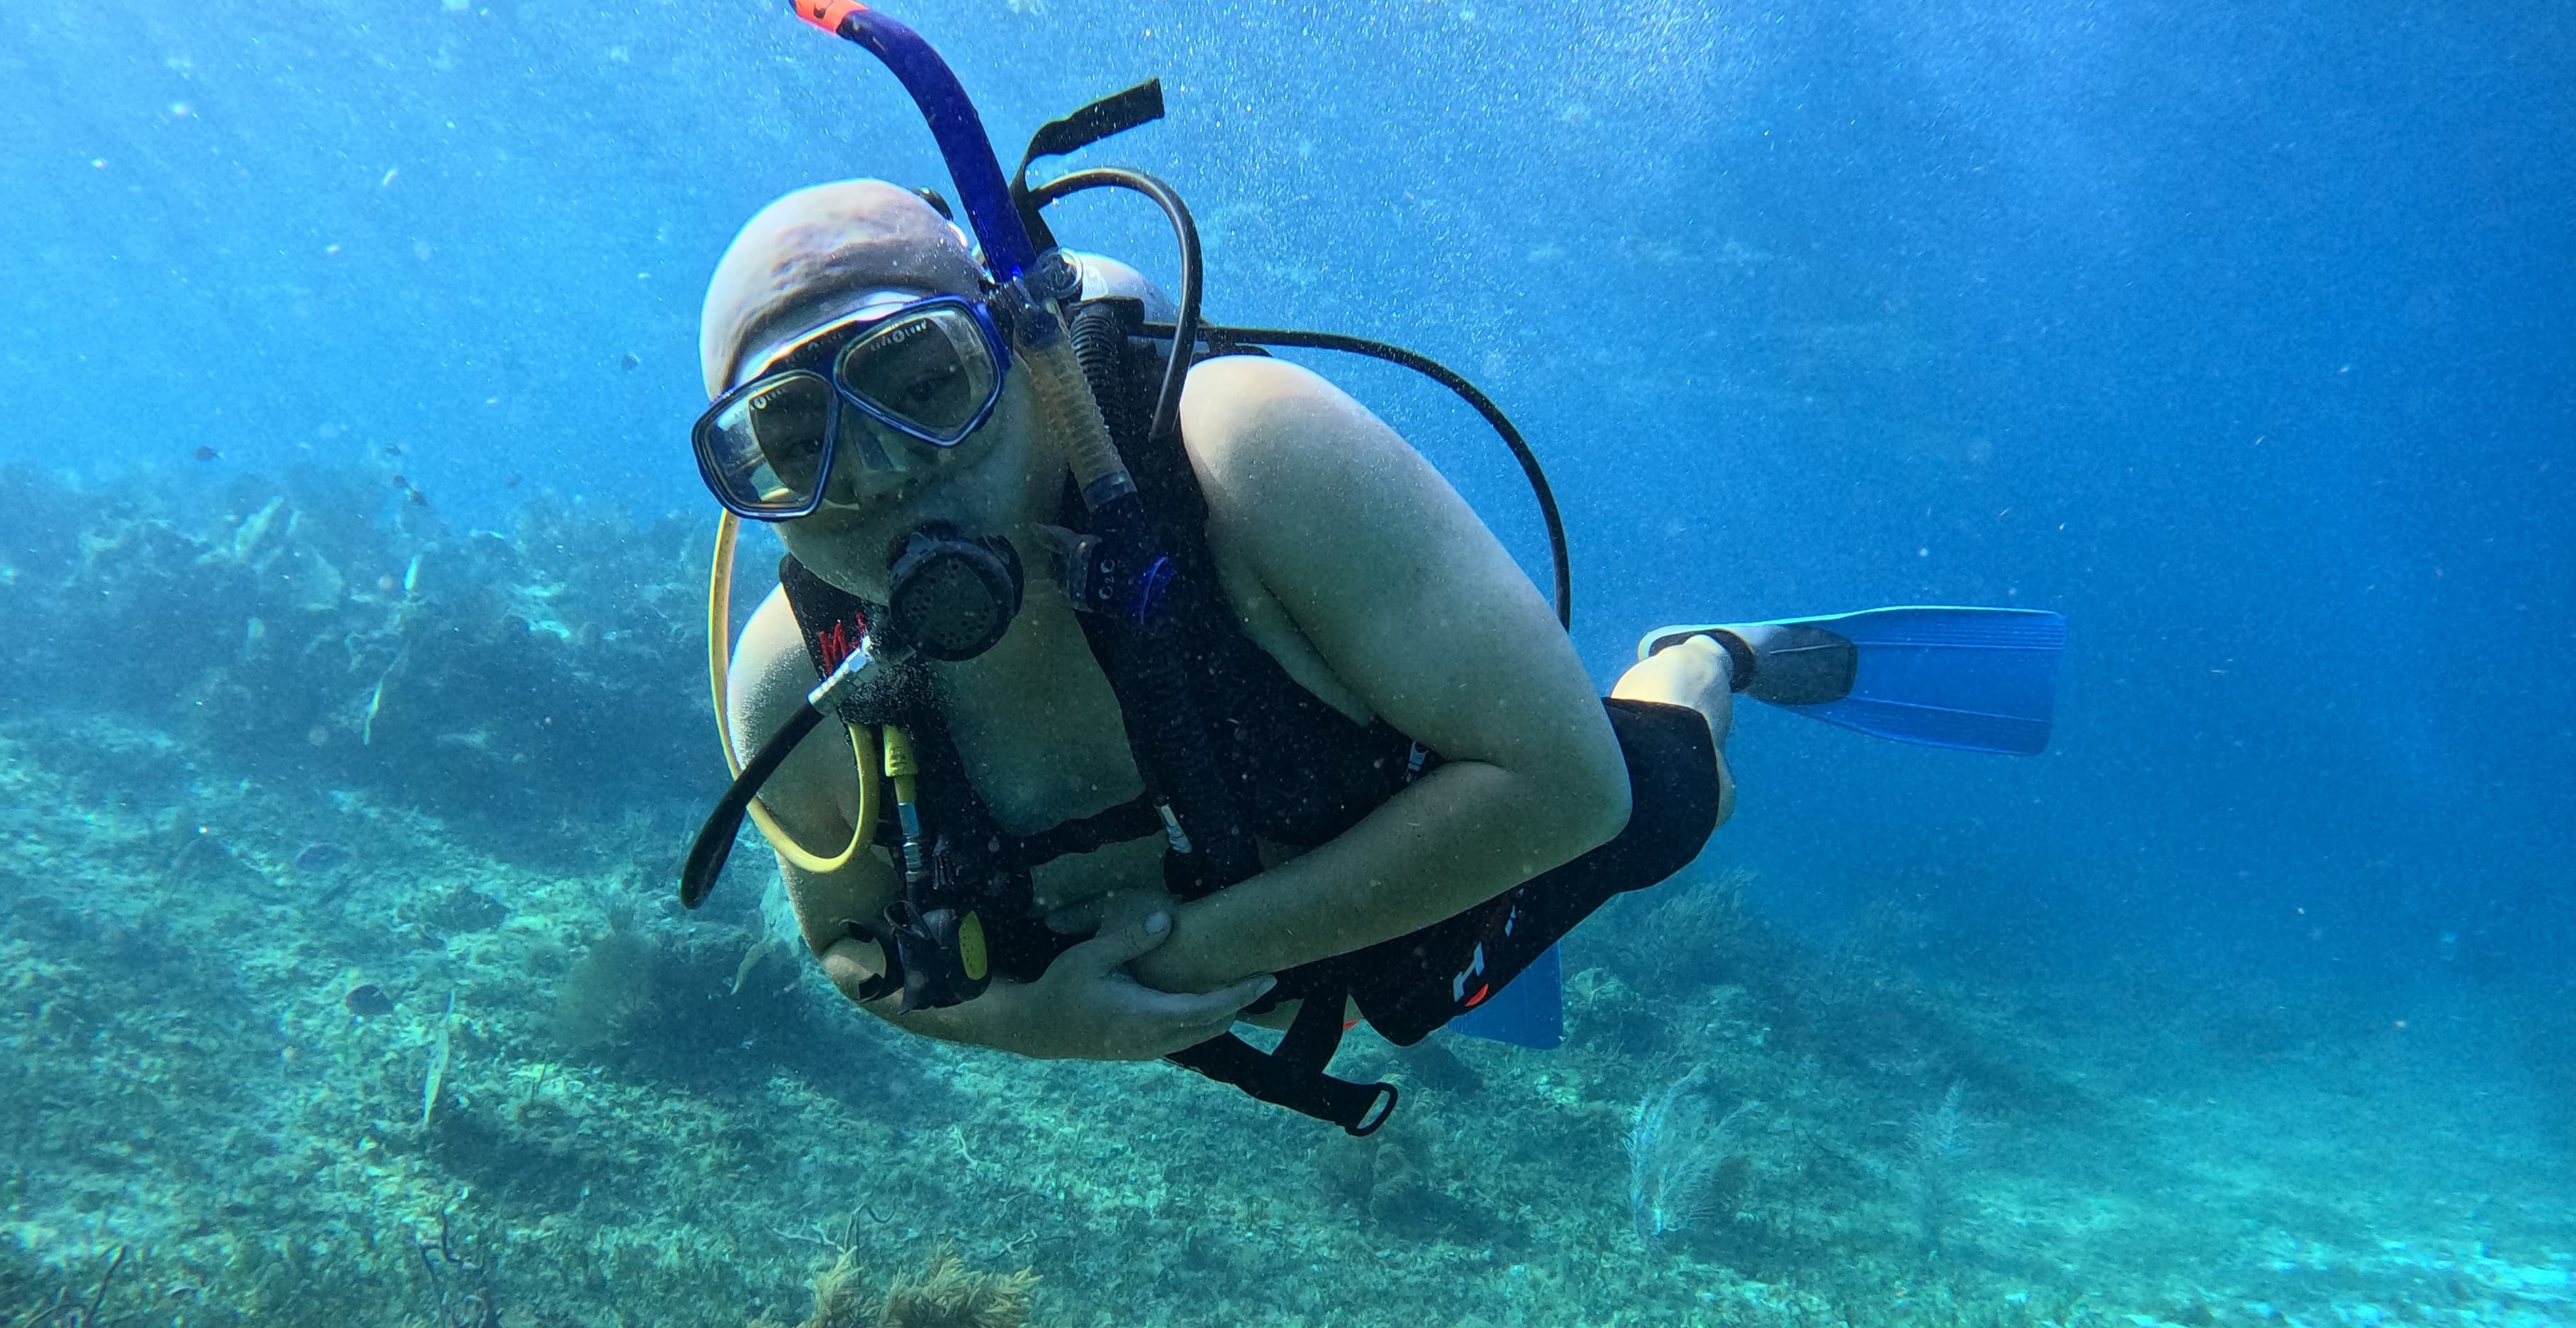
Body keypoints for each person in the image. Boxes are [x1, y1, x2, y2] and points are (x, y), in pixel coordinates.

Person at [694, 179, 1817, 1124]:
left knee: (1676, 791)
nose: (883, 470)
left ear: (1026, 343)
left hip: (1438, 875)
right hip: (1285, 957)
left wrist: (1175, 964)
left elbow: (1569, 788)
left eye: (926, 379)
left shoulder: (1245, 441)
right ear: (752, 491)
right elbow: (849, 938)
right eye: (797, 440)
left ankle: (1702, 657)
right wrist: (1031, 1025)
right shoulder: (796, 674)